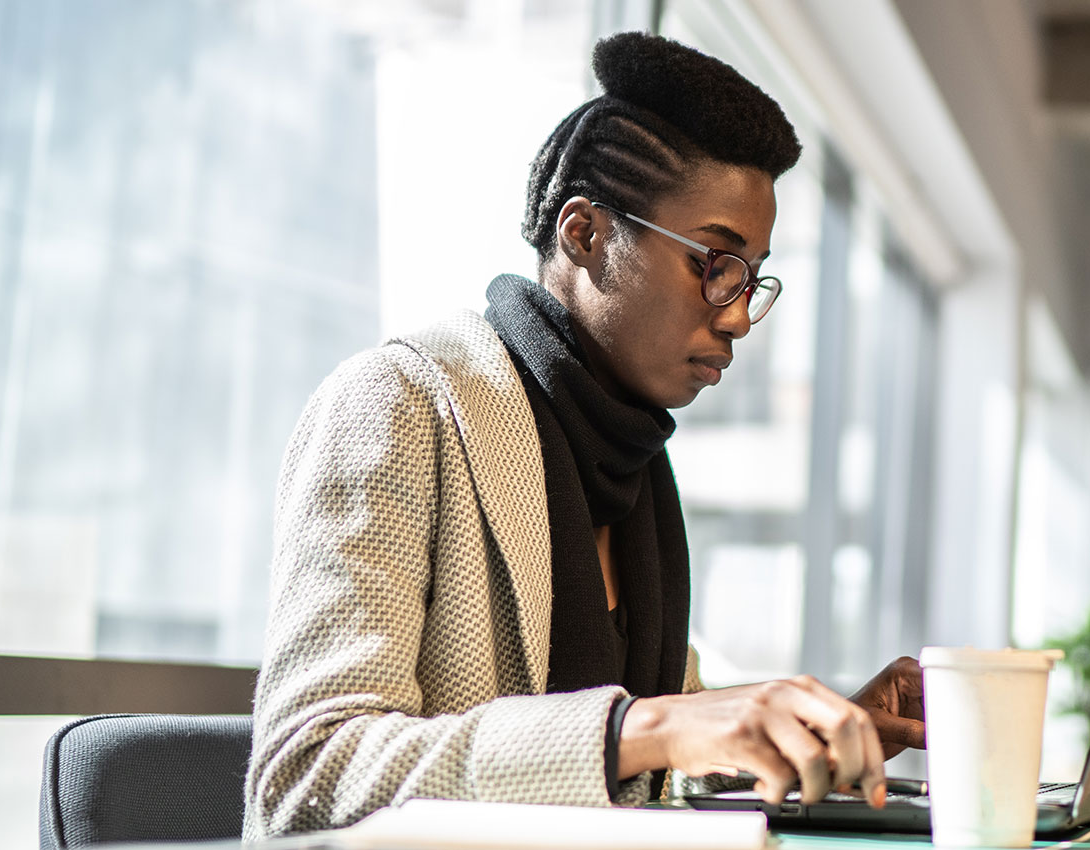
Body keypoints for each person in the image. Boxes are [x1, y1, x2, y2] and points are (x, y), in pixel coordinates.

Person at [243, 32, 926, 839]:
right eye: (714, 262)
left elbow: (659, 758)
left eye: (752, 277)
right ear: (585, 234)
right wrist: (647, 727)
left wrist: (817, 729)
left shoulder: (628, 463)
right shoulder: (397, 403)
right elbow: (305, 773)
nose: (738, 315)